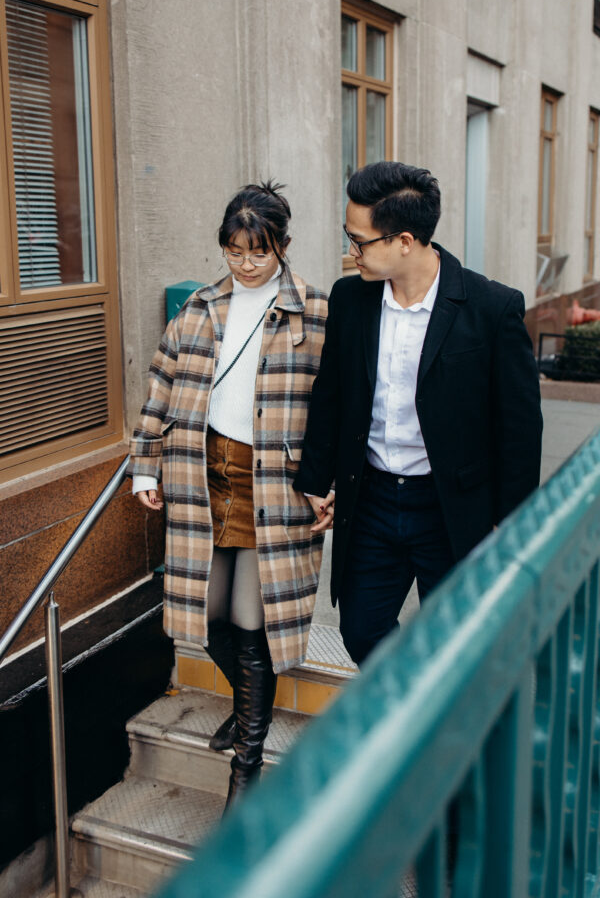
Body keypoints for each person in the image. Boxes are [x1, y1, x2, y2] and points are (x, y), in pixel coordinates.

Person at [294, 161, 542, 666]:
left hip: (453, 506)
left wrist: (508, 522)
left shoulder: (491, 307)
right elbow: (332, 392)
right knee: (361, 630)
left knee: (458, 641)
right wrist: (317, 479)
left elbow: (520, 428)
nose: (351, 251)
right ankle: (407, 711)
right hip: (374, 500)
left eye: (359, 241)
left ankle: (441, 732)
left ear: (404, 240)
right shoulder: (351, 299)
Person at [128, 181, 327, 808]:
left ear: (283, 247)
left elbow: (337, 403)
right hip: (201, 477)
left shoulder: (315, 311)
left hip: (272, 481)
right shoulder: (198, 310)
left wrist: (329, 483)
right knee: (203, 612)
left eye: (258, 252)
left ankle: (248, 761)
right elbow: (160, 386)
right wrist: (144, 467)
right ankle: (248, 709)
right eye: (235, 251)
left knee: (250, 617)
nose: (245, 263)